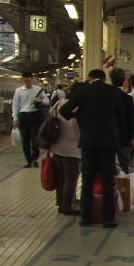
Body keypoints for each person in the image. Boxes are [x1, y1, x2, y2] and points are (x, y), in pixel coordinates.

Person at [61, 69, 125, 228]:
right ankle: (108, 219)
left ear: (90, 78)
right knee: (107, 179)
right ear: (104, 78)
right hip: (108, 142)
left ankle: (85, 217)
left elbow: (64, 111)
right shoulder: (112, 91)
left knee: (88, 179)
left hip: (88, 142)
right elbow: (121, 113)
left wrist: (78, 115)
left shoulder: (83, 91)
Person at [49, 82, 82, 215]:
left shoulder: (59, 103)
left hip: (57, 145)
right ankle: (68, 206)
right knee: (71, 179)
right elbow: (78, 129)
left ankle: (61, 204)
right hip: (72, 148)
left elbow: (51, 117)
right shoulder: (78, 107)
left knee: (61, 177)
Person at [12, 72, 49, 168]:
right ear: (22, 80)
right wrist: (15, 118)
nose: (27, 83)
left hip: (35, 116)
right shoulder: (18, 91)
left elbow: (47, 101)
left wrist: (40, 100)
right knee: (25, 140)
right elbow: (15, 106)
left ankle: (34, 158)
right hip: (23, 116)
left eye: (28, 80)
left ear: (31, 79)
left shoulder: (38, 89)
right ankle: (28, 160)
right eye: (25, 81)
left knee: (34, 138)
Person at [109, 68, 134, 173]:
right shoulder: (128, 99)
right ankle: (125, 186)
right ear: (124, 80)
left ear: (110, 79)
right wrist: (131, 138)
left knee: (108, 165)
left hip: (107, 137)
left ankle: (110, 186)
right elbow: (130, 120)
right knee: (126, 165)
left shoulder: (106, 96)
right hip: (123, 137)